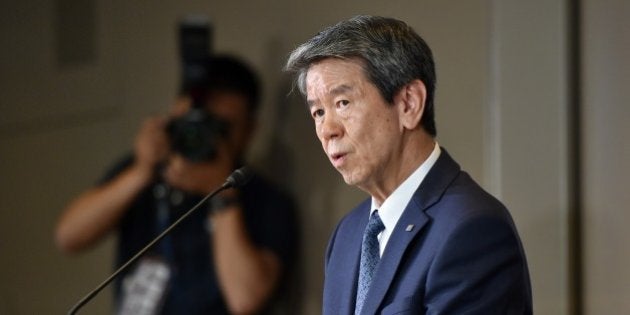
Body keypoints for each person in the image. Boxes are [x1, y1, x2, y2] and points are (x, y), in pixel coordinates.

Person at [284, 15, 532, 314]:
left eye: (342, 104)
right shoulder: (348, 234)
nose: (327, 129)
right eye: (318, 112)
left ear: (409, 104)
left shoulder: (472, 229)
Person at [56, 55, 297, 314]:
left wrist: (220, 192)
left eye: (222, 127)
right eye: (202, 121)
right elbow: (68, 236)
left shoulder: (265, 199)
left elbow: (245, 299)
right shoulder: (145, 170)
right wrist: (141, 172)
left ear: (249, 130)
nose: (209, 135)